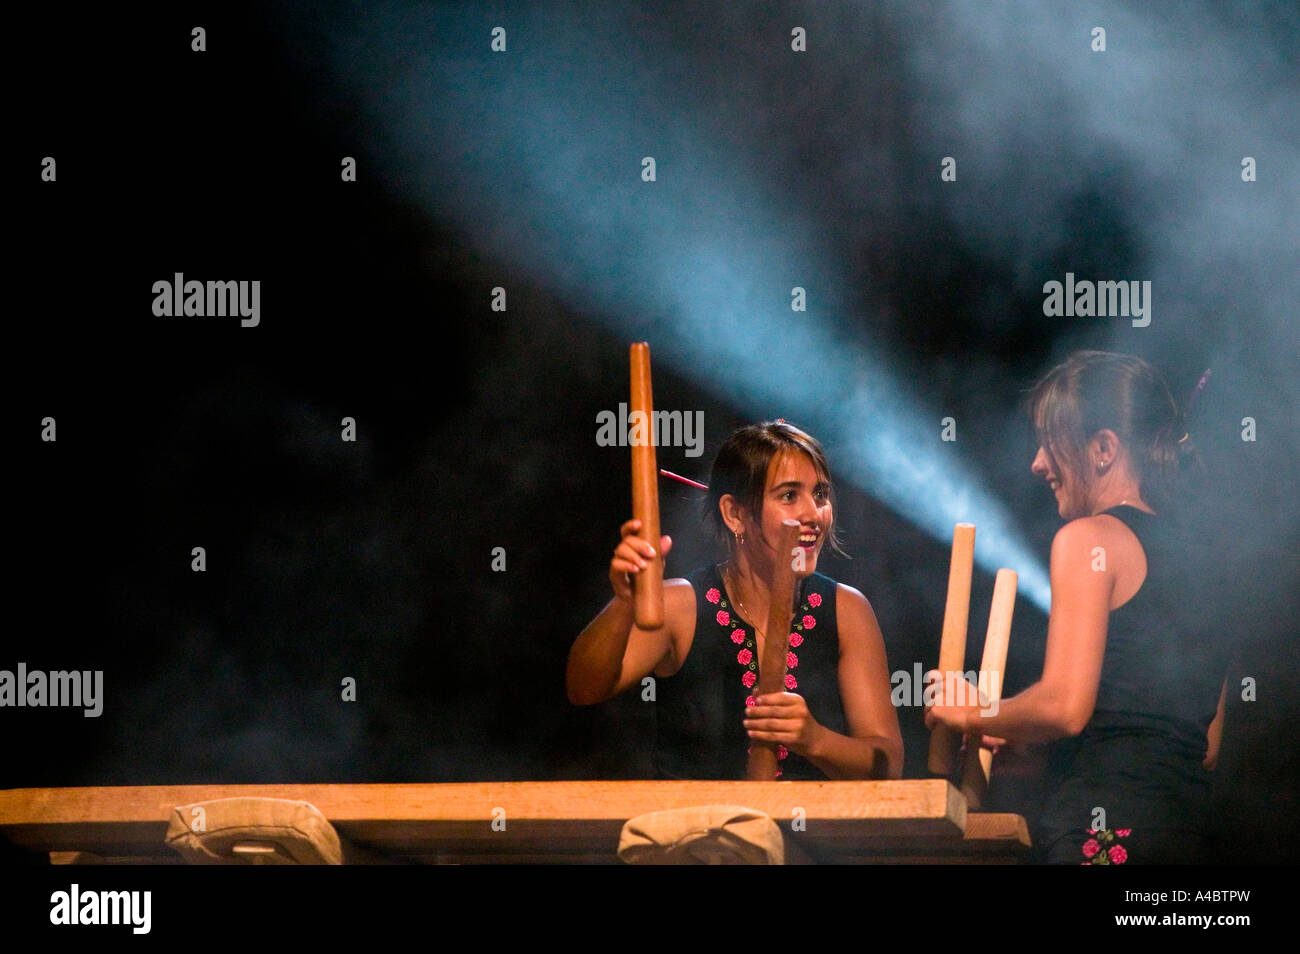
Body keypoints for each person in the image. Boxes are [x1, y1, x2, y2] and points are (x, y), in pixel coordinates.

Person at [925, 351, 1230, 864]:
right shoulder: (1209, 567)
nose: (1038, 463)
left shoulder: (1087, 539)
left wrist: (974, 713)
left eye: (1050, 442)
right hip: (1184, 838)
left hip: (1103, 838)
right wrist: (1042, 755)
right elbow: (1202, 745)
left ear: (1104, 448)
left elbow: (1065, 707)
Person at [567, 420, 903, 780]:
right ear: (735, 514)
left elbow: (888, 766)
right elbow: (584, 688)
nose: (812, 515)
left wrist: (815, 739)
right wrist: (624, 604)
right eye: (789, 496)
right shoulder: (681, 606)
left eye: (820, 495)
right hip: (694, 832)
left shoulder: (846, 609)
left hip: (816, 834)